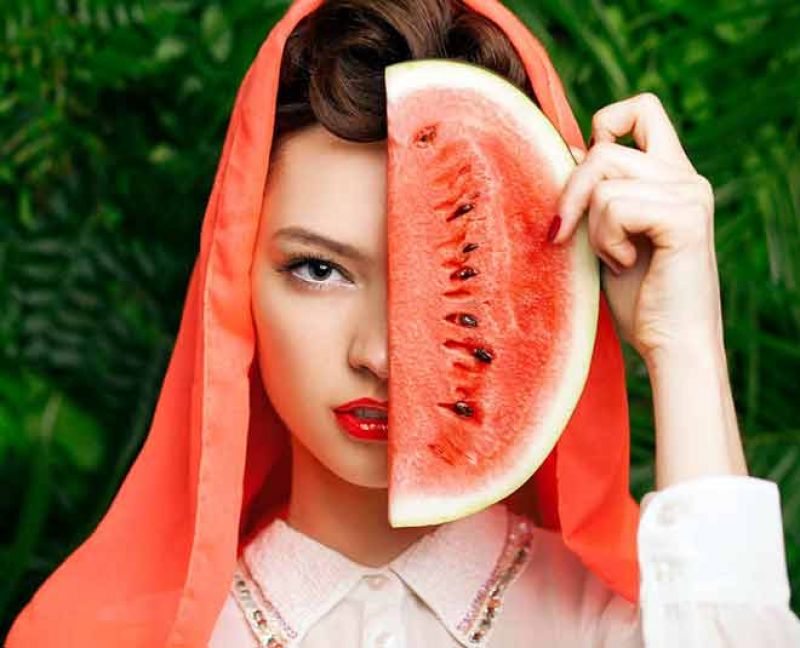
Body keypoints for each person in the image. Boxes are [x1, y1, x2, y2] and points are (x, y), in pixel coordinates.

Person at [7, 0, 800, 646]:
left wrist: (684, 344)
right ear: (233, 284)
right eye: (318, 269)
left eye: (455, 277)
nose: (383, 353)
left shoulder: (635, 628)